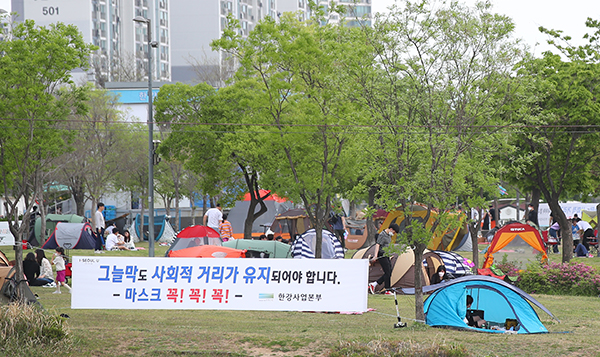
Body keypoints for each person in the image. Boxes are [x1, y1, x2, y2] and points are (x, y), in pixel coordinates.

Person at [368, 223, 400, 295]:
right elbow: (378, 244)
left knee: (389, 271)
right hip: (381, 254)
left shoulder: (389, 235)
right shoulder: (382, 235)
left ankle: (374, 284)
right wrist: (375, 256)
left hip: (386, 254)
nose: (393, 234)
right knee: (387, 272)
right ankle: (387, 290)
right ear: (391, 229)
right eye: (394, 232)